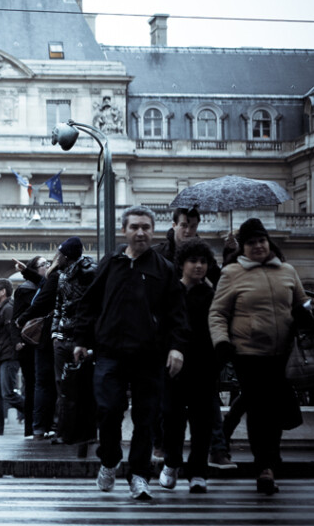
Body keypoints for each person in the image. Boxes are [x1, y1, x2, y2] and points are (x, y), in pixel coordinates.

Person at [72, 205, 188, 501]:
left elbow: (177, 314)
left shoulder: (165, 269)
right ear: (124, 230)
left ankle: (139, 475)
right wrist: (81, 340)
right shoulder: (110, 264)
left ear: (153, 231)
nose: (140, 232)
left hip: (150, 355)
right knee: (108, 409)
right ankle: (110, 460)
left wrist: (176, 347)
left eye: (146, 227)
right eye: (135, 226)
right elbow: (89, 304)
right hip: (110, 351)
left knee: (145, 418)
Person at [209, 218, 308, 495]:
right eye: (251, 242)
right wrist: (222, 342)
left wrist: (303, 314)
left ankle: (269, 461)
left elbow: (302, 303)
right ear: (243, 247)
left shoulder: (287, 271)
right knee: (259, 410)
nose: (257, 246)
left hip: (282, 354)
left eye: (261, 241)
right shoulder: (232, 273)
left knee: (274, 411)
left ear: (268, 242)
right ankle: (264, 467)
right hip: (247, 353)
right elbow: (217, 312)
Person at [159, 239, 217, 493]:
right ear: (181, 264)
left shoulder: (212, 295)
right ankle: (171, 463)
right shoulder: (171, 292)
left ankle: (198, 472)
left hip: (204, 366)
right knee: (172, 418)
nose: (199, 266)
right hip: (173, 366)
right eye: (193, 261)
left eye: (203, 261)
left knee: (202, 421)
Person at [48, 237, 97, 455]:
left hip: (82, 336)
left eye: (61, 254)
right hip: (63, 336)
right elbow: (59, 305)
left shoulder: (88, 271)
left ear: (67, 256)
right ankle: (64, 431)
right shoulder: (62, 275)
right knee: (63, 387)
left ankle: (82, 432)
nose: (57, 257)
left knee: (82, 387)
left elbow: (92, 304)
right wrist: (55, 334)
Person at [10, 256, 50, 438]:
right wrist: (17, 341)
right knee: (32, 385)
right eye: (43, 265)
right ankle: (30, 427)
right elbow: (15, 319)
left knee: (46, 384)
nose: (47, 267)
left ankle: (47, 425)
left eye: (48, 263)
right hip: (28, 344)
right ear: (35, 269)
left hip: (47, 342)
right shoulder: (25, 290)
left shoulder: (50, 286)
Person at [0, 278, 25, 435]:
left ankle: (37, 414)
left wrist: (16, 350)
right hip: (2, 356)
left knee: (8, 394)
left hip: (9, 356)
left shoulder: (8, 308)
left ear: (3, 292)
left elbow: (14, 333)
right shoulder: (3, 308)